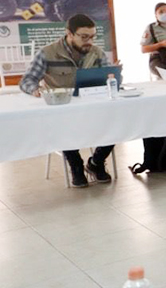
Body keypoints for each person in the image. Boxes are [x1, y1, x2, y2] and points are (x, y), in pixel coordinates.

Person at [19, 14, 115, 187]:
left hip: (92, 109)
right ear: (69, 34)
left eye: (92, 37)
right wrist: (35, 89)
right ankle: (76, 165)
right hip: (62, 112)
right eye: (84, 37)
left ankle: (96, 162)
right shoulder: (47, 53)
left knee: (116, 122)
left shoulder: (97, 53)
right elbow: (27, 80)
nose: (89, 41)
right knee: (62, 126)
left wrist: (113, 76)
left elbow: (108, 79)